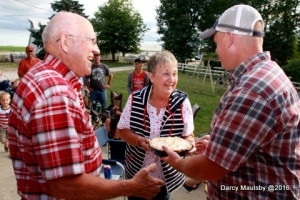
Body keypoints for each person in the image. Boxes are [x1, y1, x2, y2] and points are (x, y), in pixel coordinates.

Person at [8, 11, 164, 200]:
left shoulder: (43, 76)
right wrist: (130, 187)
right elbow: (65, 185)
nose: (97, 50)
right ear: (66, 42)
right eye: (92, 40)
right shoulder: (55, 93)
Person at [161, 4, 300, 200]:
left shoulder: (251, 90)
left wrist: (177, 162)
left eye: (216, 43)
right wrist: (220, 142)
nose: (216, 50)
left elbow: (210, 169)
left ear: (230, 38)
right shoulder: (267, 74)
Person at [117, 50, 196, 200]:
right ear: (151, 76)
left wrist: (190, 145)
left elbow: (188, 136)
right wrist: (139, 141)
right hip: (137, 173)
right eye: (166, 73)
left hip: (166, 177)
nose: (172, 79)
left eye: (175, 74)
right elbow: (122, 130)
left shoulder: (182, 102)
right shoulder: (136, 99)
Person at [85, 53, 113, 123]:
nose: (96, 58)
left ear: (99, 57)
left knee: (104, 106)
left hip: (102, 90)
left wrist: (108, 84)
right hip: (93, 91)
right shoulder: (90, 67)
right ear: (93, 58)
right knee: (94, 106)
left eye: (97, 56)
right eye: (95, 57)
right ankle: (95, 120)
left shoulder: (104, 66)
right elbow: (86, 79)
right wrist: (89, 87)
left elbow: (110, 75)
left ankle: (104, 121)